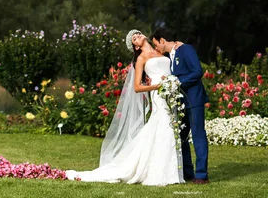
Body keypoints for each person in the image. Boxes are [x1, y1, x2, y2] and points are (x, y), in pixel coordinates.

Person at [65, 30, 184, 186]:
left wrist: (177, 47)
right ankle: (161, 174)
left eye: (138, 34)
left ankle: (171, 172)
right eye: (134, 38)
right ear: (134, 46)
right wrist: (158, 86)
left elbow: (171, 52)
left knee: (168, 128)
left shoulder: (159, 50)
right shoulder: (141, 58)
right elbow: (137, 87)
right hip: (158, 93)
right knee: (164, 127)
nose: (137, 37)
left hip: (171, 92)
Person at [152, 28, 209, 184]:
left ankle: (202, 175)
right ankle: (187, 172)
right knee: (181, 137)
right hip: (180, 102)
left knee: (198, 135)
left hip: (194, 100)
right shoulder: (169, 57)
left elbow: (197, 71)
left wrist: (176, 81)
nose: (156, 48)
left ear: (162, 40)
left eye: (156, 44)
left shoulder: (186, 49)